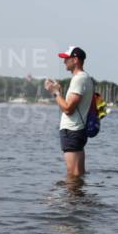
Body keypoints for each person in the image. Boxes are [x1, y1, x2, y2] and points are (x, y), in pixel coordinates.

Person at [44, 46, 94, 178]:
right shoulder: (85, 78)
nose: (64, 62)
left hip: (72, 130)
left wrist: (55, 92)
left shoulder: (79, 79)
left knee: (73, 174)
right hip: (77, 130)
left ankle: (72, 192)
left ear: (75, 60)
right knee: (78, 174)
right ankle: (78, 193)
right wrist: (59, 92)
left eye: (67, 58)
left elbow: (68, 109)